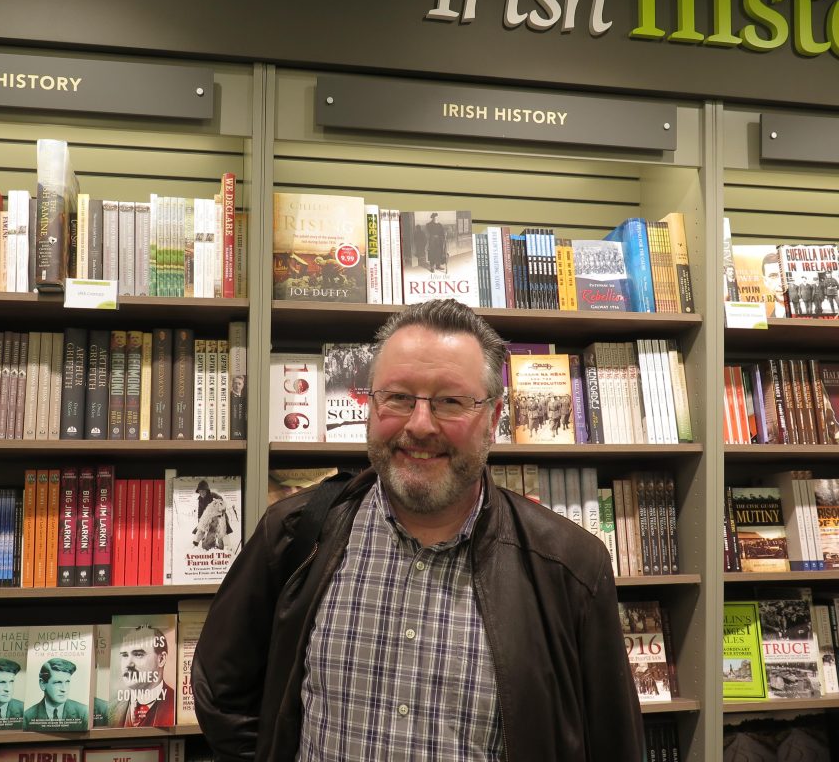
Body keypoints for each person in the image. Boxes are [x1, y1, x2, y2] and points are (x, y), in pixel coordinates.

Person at [193, 298, 643, 761]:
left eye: (451, 401)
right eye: (398, 397)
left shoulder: (570, 569)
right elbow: (221, 692)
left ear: (493, 417)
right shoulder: (294, 533)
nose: (420, 424)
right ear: (370, 405)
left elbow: (612, 742)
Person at [106, 624, 175, 727]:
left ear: (161, 659)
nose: (128, 664)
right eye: (124, 655)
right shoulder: (111, 709)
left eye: (138, 654)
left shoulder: (175, 705)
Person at [24, 658, 89, 723]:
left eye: (67, 682)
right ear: (42, 684)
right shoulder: (28, 716)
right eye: (58, 682)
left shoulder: (84, 712)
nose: (64, 689)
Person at [761, 251, 787, 317]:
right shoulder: (770, 318)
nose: (781, 283)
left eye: (784, 275)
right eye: (773, 276)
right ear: (765, 281)